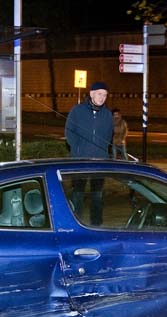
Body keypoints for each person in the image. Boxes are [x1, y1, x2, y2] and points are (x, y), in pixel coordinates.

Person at [65, 81, 114, 225]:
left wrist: (102, 151)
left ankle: (96, 223)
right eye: (100, 94)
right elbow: (69, 132)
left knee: (97, 195)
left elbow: (108, 135)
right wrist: (78, 149)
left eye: (105, 95)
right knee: (78, 194)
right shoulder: (77, 110)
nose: (102, 97)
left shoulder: (107, 114)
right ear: (92, 94)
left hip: (99, 161)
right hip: (79, 160)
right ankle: (76, 222)